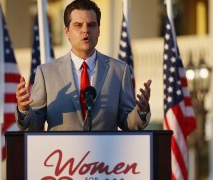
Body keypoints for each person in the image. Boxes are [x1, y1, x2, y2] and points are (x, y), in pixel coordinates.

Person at [15, 0, 151, 131]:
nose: (85, 30)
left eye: (91, 25)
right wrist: (23, 110)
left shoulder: (119, 71)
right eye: (78, 25)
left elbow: (128, 123)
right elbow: (34, 125)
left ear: (98, 30)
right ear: (67, 31)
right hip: (63, 154)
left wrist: (141, 111)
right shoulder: (46, 73)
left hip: (104, 153)